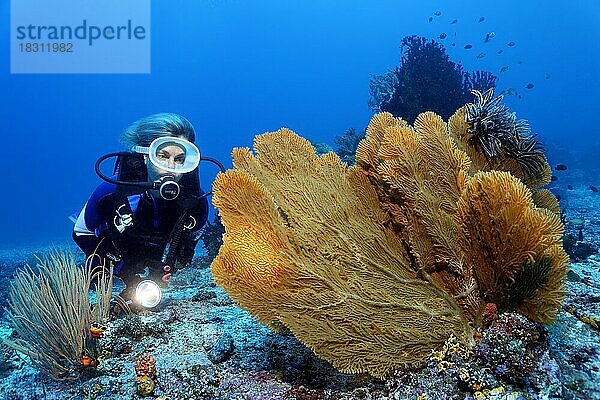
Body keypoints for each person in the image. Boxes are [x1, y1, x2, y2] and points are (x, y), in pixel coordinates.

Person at [72, 113, 213, 306]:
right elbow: (81, 232)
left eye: (179, 159)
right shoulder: (110, 192)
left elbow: (191, 240)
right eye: (162, 156)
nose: (171, 168)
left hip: (157, 256)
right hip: (115, 254)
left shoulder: (196, 202)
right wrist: (122, 270)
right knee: (96, 280)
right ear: (145, 157)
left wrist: (172, 264)